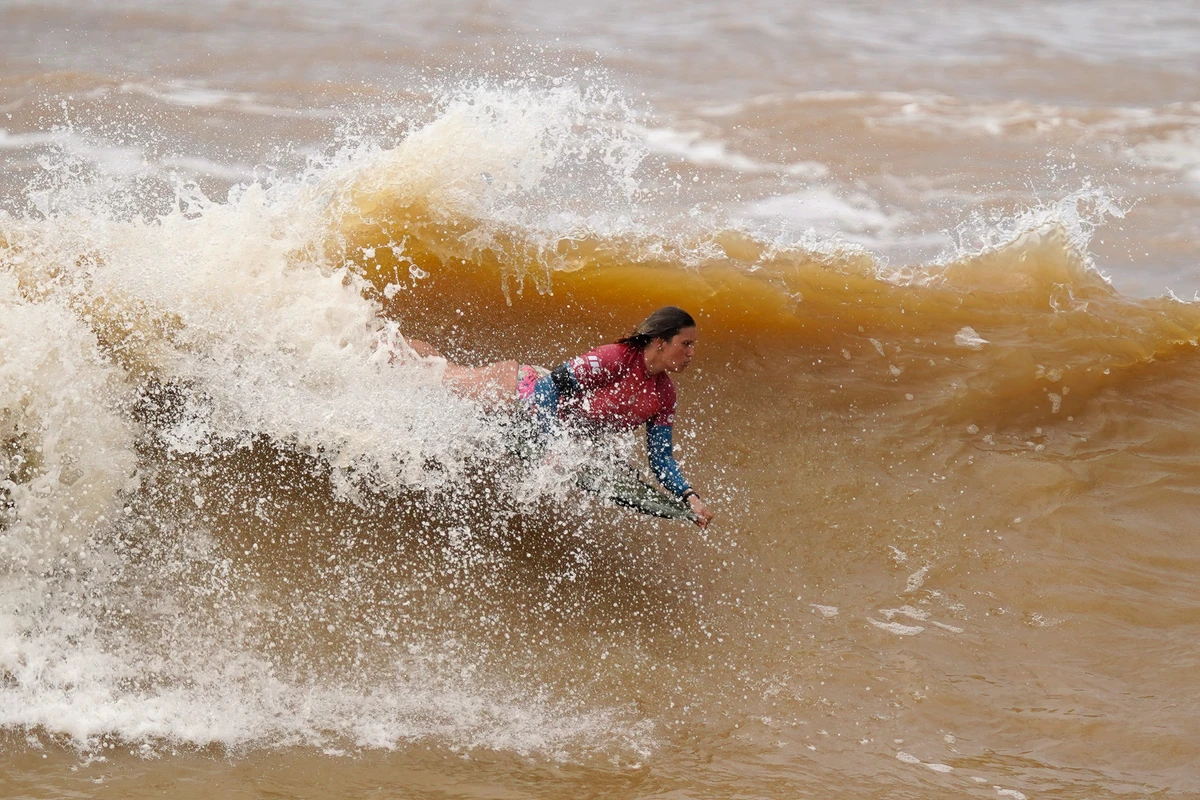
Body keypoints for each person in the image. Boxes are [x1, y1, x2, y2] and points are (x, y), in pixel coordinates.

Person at [404, 307, 713, 528]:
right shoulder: (614, 359)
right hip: (515, 393)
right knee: (440, 377)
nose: (691, 353)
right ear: (660, 342)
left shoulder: (664, 396)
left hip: (547, 425)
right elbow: (548, 388)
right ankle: (390, 349)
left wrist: (689, 497)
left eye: (693, 346)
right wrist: (552, 444)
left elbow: (660, 458)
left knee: (442, 378)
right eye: (685, 344)